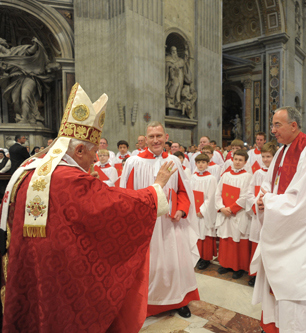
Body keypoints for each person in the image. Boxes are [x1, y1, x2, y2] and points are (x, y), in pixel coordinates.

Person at [0, 83, 176, 332]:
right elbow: (113, 206)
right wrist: (155, 189)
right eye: (94, 152)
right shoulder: (70, 179)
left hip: (29, 267)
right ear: (79, 148)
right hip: (60, 279)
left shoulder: (30, 168)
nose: (96, 158)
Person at [252, 107, 306, 332]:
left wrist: (271, 202)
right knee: (278, 289)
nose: (272, 130)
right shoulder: (281, 151)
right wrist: (262, 199)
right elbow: (268, 183)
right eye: (272, 125)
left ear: (293, 125)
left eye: (277, 125)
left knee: (296, 289)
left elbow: (304, 200)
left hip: (299, 237)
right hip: (280, 231)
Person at [120, 121, 199, 319]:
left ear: (166, 137)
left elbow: (183, 190)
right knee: (151, 265)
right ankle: (147, 305)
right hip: (146, 224)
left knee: (175, 263)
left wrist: (181, 209)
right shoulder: (134, 162)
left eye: (159, 136)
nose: (155, 140)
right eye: (151, 136)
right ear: (145, 139)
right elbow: (127, 195)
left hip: (171, 223)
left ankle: (179, 300)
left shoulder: (174, 161)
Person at [215, 149, 252, 280]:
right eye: (235, 159)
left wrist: (231, 209)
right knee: (226, 238)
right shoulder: (225, 175)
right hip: (225, 213)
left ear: (245, 162)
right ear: (232, 160)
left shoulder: (248, 176)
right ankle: (226, 264)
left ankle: (239, 267)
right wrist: (221, 207)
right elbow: (217, 193)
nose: (237, 162)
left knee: (238, 239)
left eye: (240, 160)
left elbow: (246, 196)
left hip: (238, 213)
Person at [246, 142, 276, 287]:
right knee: (256, 243)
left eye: (268, 156)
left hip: (271, 215)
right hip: (257, 214)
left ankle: (268, 276)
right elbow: (250, 192)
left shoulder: (277, 173)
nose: (265, 159)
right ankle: (255, 274)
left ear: (274, 156)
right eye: (263, 156)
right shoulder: (258, 173)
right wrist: (254, 205)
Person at [190, 153, 218, 271]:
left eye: (203, 162)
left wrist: (202, 210)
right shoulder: (192, 177)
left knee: (204, 232)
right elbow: (190, 194)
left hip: (203, 212)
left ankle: (205, 258)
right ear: (195, 164)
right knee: (195, 233)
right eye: (198, 162)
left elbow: (211, 197)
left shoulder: (211, 178)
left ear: (207, 164)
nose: (200, 165)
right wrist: (192, 208)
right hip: (193, 211)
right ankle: (196, 256)